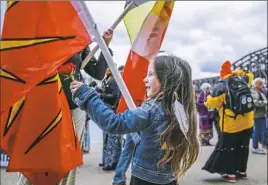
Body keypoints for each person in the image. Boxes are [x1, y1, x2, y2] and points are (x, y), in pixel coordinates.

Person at [70, 55, 200, 185]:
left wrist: (87, 95)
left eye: (150, 74)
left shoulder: (151, 109)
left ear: (166, 79)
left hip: (144, 180)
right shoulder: (180, 109)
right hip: (168, 178)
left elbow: (113, 123)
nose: (144, 79)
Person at [17, 29, 113, 185]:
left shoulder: (78, 36)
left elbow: (97, 72)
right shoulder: (41, 30)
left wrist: (104, 46)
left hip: (74, 108)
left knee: (69, 159)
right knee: (38, 155)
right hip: (46, 105)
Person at [202, 60, 254, 183]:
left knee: (229, 149)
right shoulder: (243, 80)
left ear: (221, 74)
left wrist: (207, 98)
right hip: (247, 122)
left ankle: (231, 174)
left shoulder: (220, 86)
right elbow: (250, 74)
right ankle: (242, 171)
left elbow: (212, 104)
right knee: (243, 147)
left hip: (231, 125)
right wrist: (237, 72)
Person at [99, 67, 123, 171]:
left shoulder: (114, 80)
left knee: (112, 139)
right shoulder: (107, 79)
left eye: (108, 67)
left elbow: (115, 96)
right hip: (107, 110)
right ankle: (106, 161)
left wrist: (102, 95)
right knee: (107, 138)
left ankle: (111, 162)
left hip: (112, 111)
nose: (106, 69)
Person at [251, 78, 267, 154]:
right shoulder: (255, 92)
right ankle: (255, 147)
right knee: (257, 132)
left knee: (261, 131)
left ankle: (259, 146)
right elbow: (255, 103)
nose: (262, 85)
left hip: (262, 114)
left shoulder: (260, 91)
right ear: (257, 84)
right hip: (258, 115)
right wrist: (265, 102)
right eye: (261, 84)